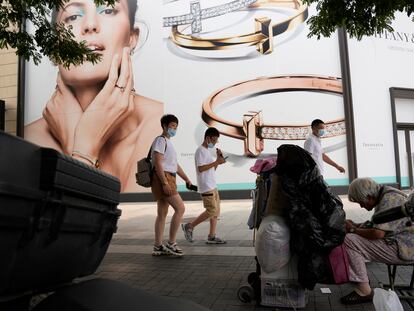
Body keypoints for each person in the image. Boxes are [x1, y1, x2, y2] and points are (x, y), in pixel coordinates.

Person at [24, 0, 163, 192]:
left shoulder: (160, 125)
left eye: (107, 10)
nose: (90, 25)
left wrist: (77, 148)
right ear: (54, 50)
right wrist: (83, 149)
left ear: (132, 37)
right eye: (73, 16)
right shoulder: (28, 141)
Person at [341, 177, 414, 305]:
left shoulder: (389, 199)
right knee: (354, 237)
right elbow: (377, 224)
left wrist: (353, 230)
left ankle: (364, 290)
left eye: (361, 202)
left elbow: (378, 233)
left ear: (369, 197)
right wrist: (357, 225)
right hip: (404, 244)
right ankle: (361, 278)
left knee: (349, 240)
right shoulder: (386, 194)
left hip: (406, 250)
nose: (361, 206)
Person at [151, 114, 193, 257]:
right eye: (172, 126)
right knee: (180, 208)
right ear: (164, 126)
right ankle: (171, 243)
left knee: (162, 214)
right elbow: (157, 163)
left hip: (168, 177)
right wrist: (164, 182)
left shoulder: (168, 142)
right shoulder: (161, 140)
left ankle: (158, 246)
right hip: (164, 177)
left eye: (176, 126)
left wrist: (186, 178)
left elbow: (174, 165)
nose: (174, 129)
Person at [181, 127, 227, 244]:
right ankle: (189, 226)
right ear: (208, 138)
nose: (215, 142)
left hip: (212, 185)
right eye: (214, 140)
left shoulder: (207, 151)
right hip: (206, 187)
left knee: (216, 212)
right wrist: (216, 162)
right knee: (211, 210)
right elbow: (201, 169)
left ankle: (211, 236)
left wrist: (217, 160)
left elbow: (211, 170)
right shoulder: (200, 150)